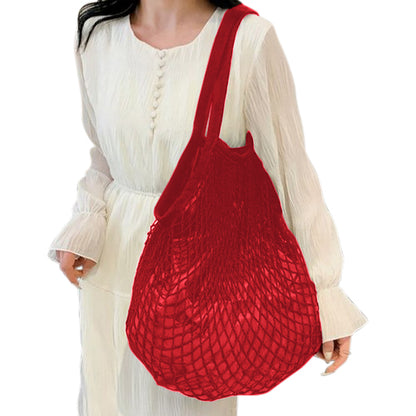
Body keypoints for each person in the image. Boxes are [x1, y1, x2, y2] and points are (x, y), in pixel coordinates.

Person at [47, 0, 368, 415]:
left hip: (200, 280)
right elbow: (104, 154)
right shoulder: (97, 35)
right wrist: (88, 217)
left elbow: (288, 173)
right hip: (110, 266)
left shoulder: (247, 39)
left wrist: (324, 293)